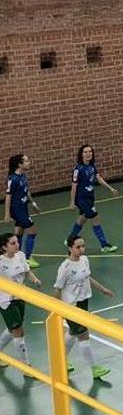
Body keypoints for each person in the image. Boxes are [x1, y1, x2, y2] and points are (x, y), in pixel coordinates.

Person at [54, 235, 113, 379]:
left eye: (83, 246)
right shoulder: (65, 267)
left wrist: (103, 289)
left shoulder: (85, 260)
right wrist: (59, 308)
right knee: (83, 335)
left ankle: (60, 359)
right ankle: (95, 368)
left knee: (73, 332)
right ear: (70, 248)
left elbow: (87, 278)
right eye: (78, 247)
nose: (81, 249)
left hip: (83, 301)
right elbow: (57, 289)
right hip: (71, 305)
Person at [0, 233, 41, 374]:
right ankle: (26, 366)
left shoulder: (21, 256)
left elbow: (27, 272)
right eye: (12, 243)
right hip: (5, 301)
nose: (17, 245)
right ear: (4, 247)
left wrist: (34, 280)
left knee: (12, 329)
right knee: (18, 330)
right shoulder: (0, 262)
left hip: (20, 297)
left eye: (17, 242)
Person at [67, 145, 119, 253]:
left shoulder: (91, 166)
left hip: (90, 197)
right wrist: (72, 202)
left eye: (90, 151)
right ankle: (104, 245)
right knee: (95, 218)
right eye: (85, 152)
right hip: (82, 199)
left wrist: (110, 188)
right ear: (81, 154)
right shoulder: (78, 169)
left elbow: (98, 178)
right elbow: (74, 185)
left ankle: (70, 239)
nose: (88, 154)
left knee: (82, 218)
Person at [3, 154, 40, 268]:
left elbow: (26, 191)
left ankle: (14, 255)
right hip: (17, 210)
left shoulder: (23, 176)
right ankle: (27, 259)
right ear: (20, 164)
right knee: (33, 231)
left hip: (23, 208)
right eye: (26, 161)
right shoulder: (12, 179)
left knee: (18, 233)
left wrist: (33, 203)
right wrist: (7, 214)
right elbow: (8, 197)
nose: (29, 162)